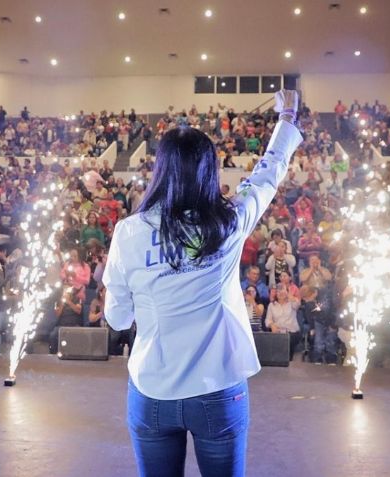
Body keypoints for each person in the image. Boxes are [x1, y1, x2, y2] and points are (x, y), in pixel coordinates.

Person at [103, 90, 302, 477]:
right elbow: (268, 173)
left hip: (152, 392)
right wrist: (288, 116)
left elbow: (116, 318)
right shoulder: (228, 222)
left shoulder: (129, 232)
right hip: (217, 389)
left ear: (160, 170)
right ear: (209, 170)